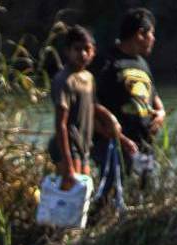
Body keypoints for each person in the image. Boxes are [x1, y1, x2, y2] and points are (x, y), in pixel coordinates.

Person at [92, 8, 166, 191]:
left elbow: (153, 95)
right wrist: (117, 136)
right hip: (114, 144)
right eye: (151, 34)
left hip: (144, 144)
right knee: (110, 194)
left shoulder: (142, 63)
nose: (153, 39)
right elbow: (90, 102)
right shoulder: (106, 61)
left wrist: (161, 113)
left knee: (149, 191)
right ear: (140, 34)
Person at [47, 25, 100, 191]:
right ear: (68, 51)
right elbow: (60, 124)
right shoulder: (64, 80)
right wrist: (68, 165)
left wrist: (113, 126)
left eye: (87, 49)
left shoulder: (89, 77)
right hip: (68, 146)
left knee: (83, 194)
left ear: (93, 52)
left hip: (83, 146)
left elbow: (93, 108)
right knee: (71, 195)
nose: (82, 54)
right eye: (77, 49)